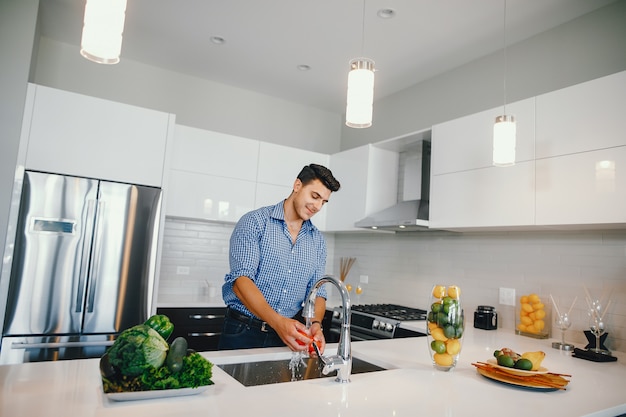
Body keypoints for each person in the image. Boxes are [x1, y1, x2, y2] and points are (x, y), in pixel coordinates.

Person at [218, 164, 341, 355]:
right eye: (315, 196)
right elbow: (241, 282)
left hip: (288, 336)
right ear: (297, 185)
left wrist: (315, 323)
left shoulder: (317, 241)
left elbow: (317, 291)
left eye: (323, 202)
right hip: (244, 332)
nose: (317, 206)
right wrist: (277, 322)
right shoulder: (255, 222)